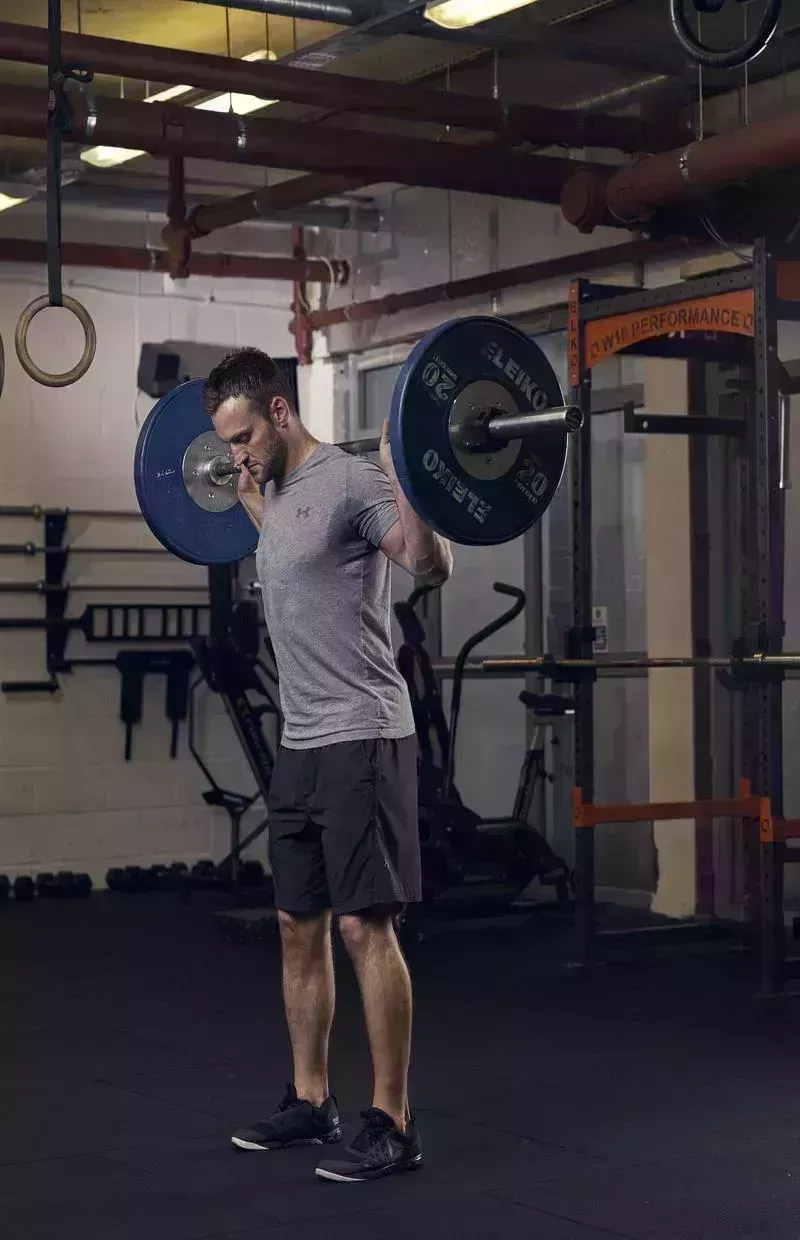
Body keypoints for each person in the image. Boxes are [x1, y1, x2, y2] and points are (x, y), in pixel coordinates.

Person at [204, 348, 453, 1184]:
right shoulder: (269, 492)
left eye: (242, 436)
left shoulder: (351, 483)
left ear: (279, 413)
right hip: (301, 743)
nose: (235, 454)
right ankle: (313, 1101)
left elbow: (430, 565)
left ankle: (394, 1120)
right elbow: (291, 559)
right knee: (296, 924)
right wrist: (248, 499)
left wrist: (408, 479)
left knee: (363, 926)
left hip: (363, 734)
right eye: (225, 442)